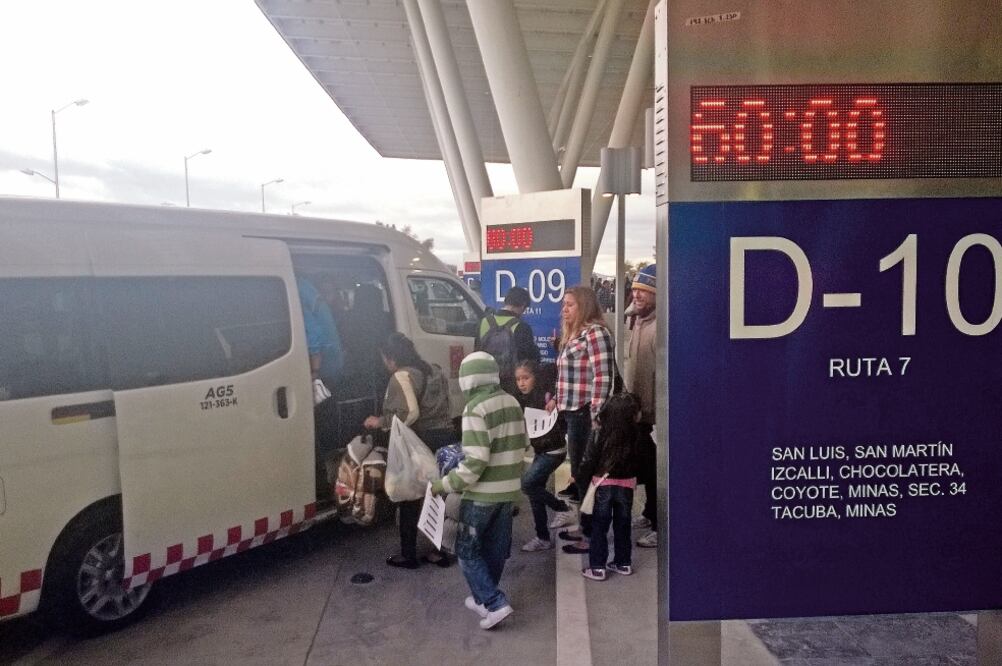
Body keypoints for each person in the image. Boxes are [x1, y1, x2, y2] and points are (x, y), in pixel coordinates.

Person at [431, 352, 527, 630]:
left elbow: (475, 462)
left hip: (482, 495)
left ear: (467, 380)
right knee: (494, 550)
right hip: (508, 493)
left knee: (467, 551)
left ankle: (495, 603)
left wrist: (443, 485)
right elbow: (524, 445)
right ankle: (482, 598)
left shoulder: (475, 408)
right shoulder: (511, 401)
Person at [363, 333, 454, 570]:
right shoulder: (434, 370)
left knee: (410, 495)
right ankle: (441, 551)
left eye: (385, 358)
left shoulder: (401, 376)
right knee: (439, 494)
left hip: (420, 440)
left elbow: (410, 413)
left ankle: (408, 554)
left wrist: (380, 421)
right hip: (444, 435)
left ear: (391, 358)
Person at [547, 286, 615, 555]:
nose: (564, 309)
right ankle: (585, 527)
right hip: (572, 413)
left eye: (571, 305)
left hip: (586, 415)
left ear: (584, 306)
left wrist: (596, 413)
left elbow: (603, 376)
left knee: (588, 477)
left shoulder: (595, 333)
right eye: (563, 304)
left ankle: (593, 536)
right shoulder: (573, 334)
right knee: (580, 476)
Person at [577, 393, 642, 580]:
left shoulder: (599, 432)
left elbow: (589, 460)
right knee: (623, 525)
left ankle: (598, 567)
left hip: (603, 484)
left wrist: (581, 478)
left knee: (600, 527)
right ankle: (623, 563)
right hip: (627, 485)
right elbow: (640, 460)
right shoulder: (635, 434)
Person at [514, 361, 576, 552]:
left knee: (528, 484)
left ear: (536, 377)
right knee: (535, 492)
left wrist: (554, 398)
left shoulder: (545, 393)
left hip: (553, 451)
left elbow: (560, 383)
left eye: (526, 378)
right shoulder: (527, 397)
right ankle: (542, 538)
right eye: (518, 379)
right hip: (542, 451)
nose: (521, 383)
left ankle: (563, 509)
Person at [626, 264, 659, 548]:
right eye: (636, 289)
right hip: (642, 413)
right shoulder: (638, 320)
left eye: (645, 291)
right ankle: (650, 513)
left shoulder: (663, 325)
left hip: (659, 415)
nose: (636, 294)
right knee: (648, 468)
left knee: (660, 471)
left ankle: (662, 524)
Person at [474, 286, 540, 395]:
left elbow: (476, 354)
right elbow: (529, 361)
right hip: (512, 387)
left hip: (486, 385)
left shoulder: (483, 323)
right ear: (523, 305)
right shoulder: (521, 327)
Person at [297, 276, 345, 388]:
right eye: (322, 292)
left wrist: (315, 370)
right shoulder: (309, 294)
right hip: (329, 361)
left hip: (328, 363)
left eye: (328, 292)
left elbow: (314, 335)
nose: (325, 297)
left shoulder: (303, 293)